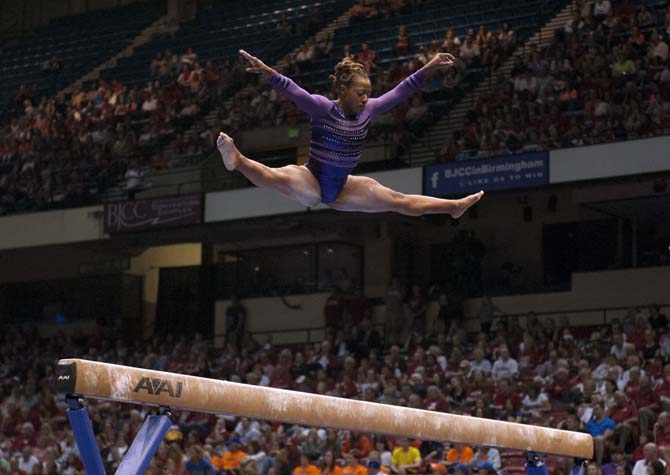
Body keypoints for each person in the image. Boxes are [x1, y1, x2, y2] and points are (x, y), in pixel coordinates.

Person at [217, 50, 484, 216]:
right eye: (360, 93)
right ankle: (237, 160)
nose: (366, 98)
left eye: (368, 93)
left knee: (397, 200)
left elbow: (402, 90)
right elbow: (293, 90)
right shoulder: (322, 108)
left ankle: (453, 207)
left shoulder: (371, 110)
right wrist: (268, 72)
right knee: (290, 185)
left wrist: (429, 68)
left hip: (343, 187)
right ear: (343, 91)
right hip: (311, 176)